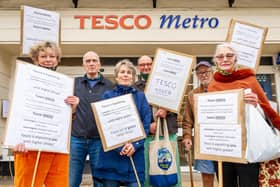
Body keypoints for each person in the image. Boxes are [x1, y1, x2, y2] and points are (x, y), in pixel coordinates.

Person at [208, 43, 280, 187]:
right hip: (222, 146)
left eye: (229, 55)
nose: (225, 59)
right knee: (227, 184)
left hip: (247, 147)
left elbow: (266, 108)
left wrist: (256, 105)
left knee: (249, 183)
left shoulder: (249, 79)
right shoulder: (212, 84)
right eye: (220, 56)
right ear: (215, 61)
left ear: (235, 58)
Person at [13, 41, 79, 187]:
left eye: (52, 56)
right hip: (29, 146)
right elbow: (17, 111)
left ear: (57, 60)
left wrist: (73, 108)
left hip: (57, 146)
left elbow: (66, 119)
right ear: (36, 59)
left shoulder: (64, 85)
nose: (48, 60)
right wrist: (14, 139)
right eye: (43, 56)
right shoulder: (25, 80)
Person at [93, 59, 151, 187]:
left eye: (129, 72)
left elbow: (146, 123)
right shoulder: (107, 96)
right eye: (122, 72)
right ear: (116, 76)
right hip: (112, 157)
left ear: (133, 77)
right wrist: (120, 146)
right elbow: (103, 125)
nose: (125, 74)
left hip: (135, 156)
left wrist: (135, 145)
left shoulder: (141, 97)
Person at [134, 55, 182, 187]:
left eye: (149, 64)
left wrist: (167, 110)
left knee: (170, 169)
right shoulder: (135, 88)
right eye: (143, 64)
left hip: (168, 133)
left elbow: (177, 101)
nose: (146, 67)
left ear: (154, 65)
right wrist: (147, 126)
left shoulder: (166, 81)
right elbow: (134, 112)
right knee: (150, 170)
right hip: (147, 135)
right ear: (139, 68)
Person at [70, 51, 113, 187]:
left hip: (99, 140)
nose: (91, 63)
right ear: (83, 65)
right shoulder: (73, 84)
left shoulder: (109, 85)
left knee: (100, 181)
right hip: (76, 139)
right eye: (88, 61)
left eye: (94, 61)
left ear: (99, 64)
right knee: (72, 180)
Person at [183, 61, 215, 187]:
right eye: (200, 73)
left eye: (206, 71)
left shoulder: (222, 89)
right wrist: (186, 136)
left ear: (212, 72)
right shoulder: (192, 95)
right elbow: (187, 120)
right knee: (207, 176)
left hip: (224, 140)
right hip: (204, 142)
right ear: (197, 75)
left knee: (226, 176)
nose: (203, 75)